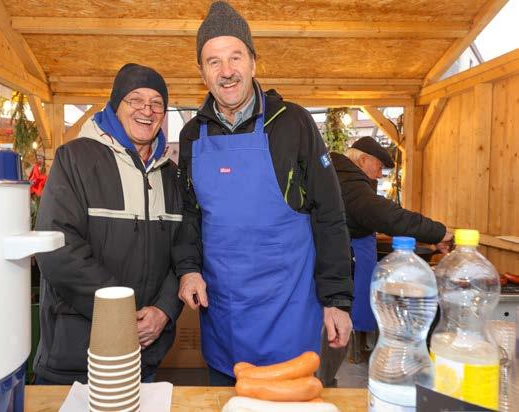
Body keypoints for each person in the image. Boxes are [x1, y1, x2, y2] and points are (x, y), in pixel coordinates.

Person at [172, 1, 353, 386]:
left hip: (289, 313)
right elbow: (189, 214)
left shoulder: (293, 122)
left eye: (235, 57)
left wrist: (337, 300)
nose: (226, 71)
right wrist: (188, 269)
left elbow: (330, 214)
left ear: (253, 62)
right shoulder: (192, 135)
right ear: (201, 72)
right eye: (214, 61)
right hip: (224, 315)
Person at [33, 63, 184, 385]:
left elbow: (184, 251)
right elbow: (57, 249)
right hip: (77, 357)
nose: (147, 110)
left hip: (144, 357)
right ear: (115, 106)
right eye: (135, 99)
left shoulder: (171, 176)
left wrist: (164, 310)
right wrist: (122, 313)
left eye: (157, 103)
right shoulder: (74, 159)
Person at [319, 136, 452, 386]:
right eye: (379, 167)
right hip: (335, 268)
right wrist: (438, 232)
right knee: (331, 331)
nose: (380, 174)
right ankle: (323, 385)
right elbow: (389, 216)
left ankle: (325, 380)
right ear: (362, 160)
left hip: (336, 264)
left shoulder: (340, 174)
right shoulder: (351, 184)